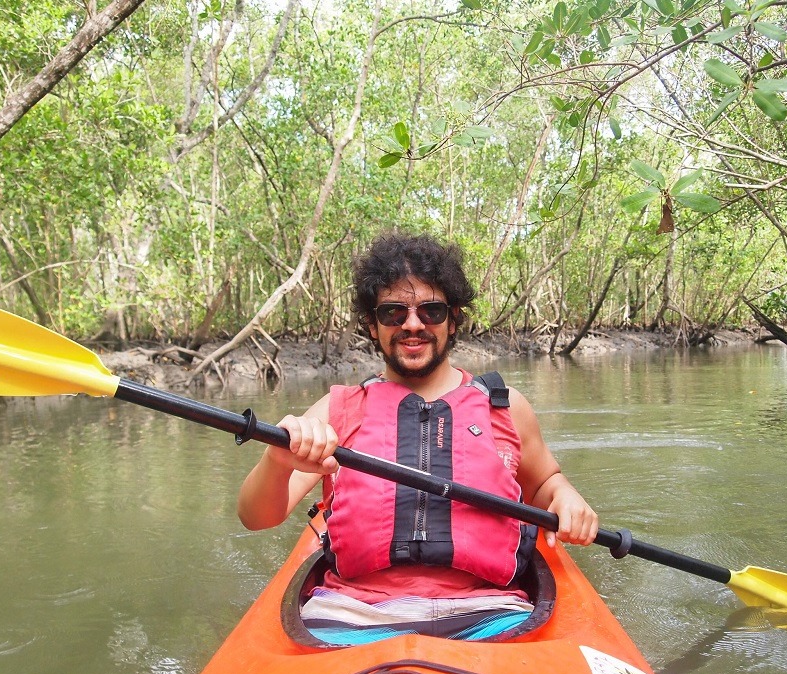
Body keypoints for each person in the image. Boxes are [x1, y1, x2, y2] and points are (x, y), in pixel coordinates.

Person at [237, 230, 598, 644]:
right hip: (351, 616)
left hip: (491, 614)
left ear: (454, 318)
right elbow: (256, 517)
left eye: (431, 311)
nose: (412, 325)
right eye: (393, 313)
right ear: (372, 326)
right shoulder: (337, 411)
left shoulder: (506, 408)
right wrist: (277, 460)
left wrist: (567, 496)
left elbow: (547, 484)